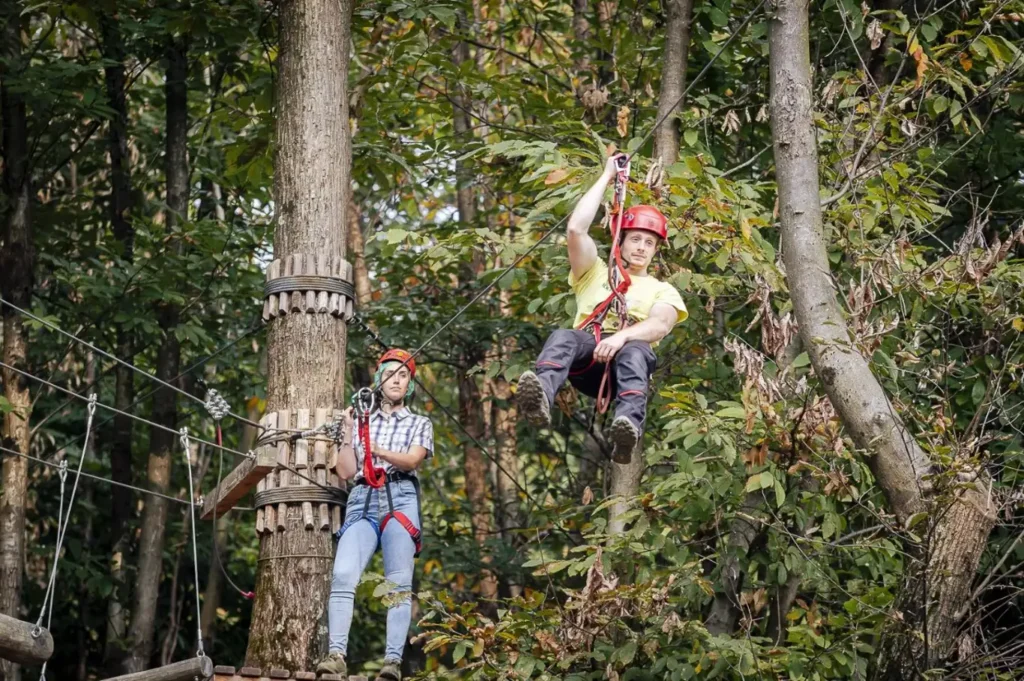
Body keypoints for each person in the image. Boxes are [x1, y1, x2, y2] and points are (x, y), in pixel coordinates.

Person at [516, 154, 688, 463]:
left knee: (637, 348)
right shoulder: (595, 272)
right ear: (620, 241)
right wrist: (608, 176)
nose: (641, 247)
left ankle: (627, 428)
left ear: (655, 251)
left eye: (649, 243)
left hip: (625, 371)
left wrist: (619, 338)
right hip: (588, 360)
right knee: (565, 336)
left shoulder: (663, 290)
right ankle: (541, 396)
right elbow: (575, 231)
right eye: (635, 239)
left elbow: (661, 324)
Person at [317, 349, 432, 681]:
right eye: (390, 373)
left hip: (400, 498)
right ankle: (336, 655)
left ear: (409, 385)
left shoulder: (418, 423)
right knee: (343, 575)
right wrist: (349, 433)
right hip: (363, 498)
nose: (396, 379)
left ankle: (392, 662)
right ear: (378, 378)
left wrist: (375, 447)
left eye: (403, 375)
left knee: (398, 583)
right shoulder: (360, 419)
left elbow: (411, 461)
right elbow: (345, 469)